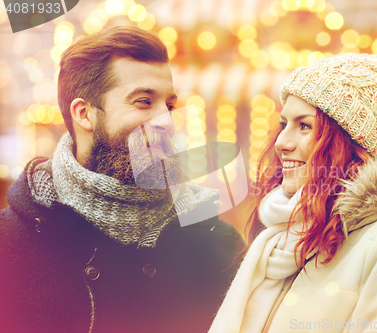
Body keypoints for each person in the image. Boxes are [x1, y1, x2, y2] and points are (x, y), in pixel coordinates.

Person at [0, 26, 244, 333]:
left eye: (168, 106)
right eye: (144, 101)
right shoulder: (8, 245)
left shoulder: (217, 245)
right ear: (84, 114)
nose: (166, 121)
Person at [209, 42, 377, 333]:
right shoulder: (290, 235)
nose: (282, 142)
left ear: (351, 141)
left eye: (304, 126)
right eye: (284, 124)